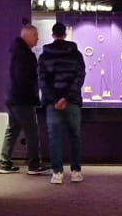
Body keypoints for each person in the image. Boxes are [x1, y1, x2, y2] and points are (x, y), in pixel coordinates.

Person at [36, 21, 86, 184]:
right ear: (65, 34)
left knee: (54, 138)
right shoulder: (75, 54)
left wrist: (55, 100)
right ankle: (76, 171)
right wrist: (67, 97)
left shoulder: (44, 56)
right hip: (73, 101)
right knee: (74, 137)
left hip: (53, 104)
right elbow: (79, 77)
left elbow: (42, 81)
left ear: (53, 35)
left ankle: (57, 172)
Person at [0, 23, 46, 175]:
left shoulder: (16, 51)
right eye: (36, 35)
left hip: (13, 97)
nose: (38, 39)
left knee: (13, 129)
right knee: (32, 132)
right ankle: (34, 164)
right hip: (23, 99)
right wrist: (34, 90)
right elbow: (24, 78)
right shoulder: (24, 54)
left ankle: (5, 163)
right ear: (28, 35)